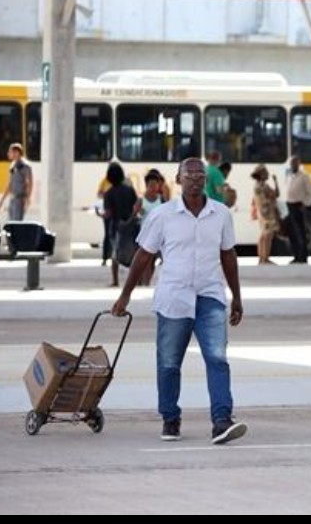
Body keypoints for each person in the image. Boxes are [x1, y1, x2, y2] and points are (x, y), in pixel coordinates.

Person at [110, 157, 247, 446]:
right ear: (178, 179)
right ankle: (170, 417)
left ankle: (222, 420)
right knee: (170, 363)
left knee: (217, 358)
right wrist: (125, 294)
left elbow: (228, 256)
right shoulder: (162, 215)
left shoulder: (220, 214)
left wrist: (236, 296)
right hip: (174, 298)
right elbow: (143, 256)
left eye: (200, 175)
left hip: (210, 295)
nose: (196, 179)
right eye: (190, 175)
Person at [103, 162, 139, 288]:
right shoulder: (130, 190)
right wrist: (132, 217)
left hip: (116, 227)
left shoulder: (108, 193)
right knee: (134, 253)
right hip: (131, 225)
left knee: (115, 255)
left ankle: (116, 280)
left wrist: (100, 214)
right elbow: (136, 206)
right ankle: (136, 280)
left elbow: (108, 213)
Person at [133, 168, 168, 286]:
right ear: (147, 185)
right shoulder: (141, 200)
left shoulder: (162, 199)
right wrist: (138, 212)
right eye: (151, 185)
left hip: (159, 234)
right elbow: (136, 215)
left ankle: (146, 281)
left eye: (155, 185)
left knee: (152, 260)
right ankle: (144, 282)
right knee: (146, 260)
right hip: (145, 234)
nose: (153, 188)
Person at [283, 154, 311, 264]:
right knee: (291, 232)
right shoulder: (289, 175)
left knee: (300, 232)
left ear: (299, 163)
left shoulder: (304, 176)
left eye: (295, 163)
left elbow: (309, 192)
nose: (293, 165)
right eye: (291, 163)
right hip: (289, 205)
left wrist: (305, 204)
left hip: (298, 205)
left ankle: (303, 256)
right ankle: (296, 255)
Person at [250, 163, 281, 265]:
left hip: (265, 213)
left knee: (264, 235)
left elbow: (276, 194)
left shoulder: (262, 185)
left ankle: (262, 258)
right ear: (261, 174)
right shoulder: (260, 186)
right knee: (267, 235)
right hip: (266, 213)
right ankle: (265, 258)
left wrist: (275, 182)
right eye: (265, 172)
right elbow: (267, 200)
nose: (267, 174)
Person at [0, 142, 32, 222]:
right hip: (12, 199)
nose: (8, 154)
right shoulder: (12, 166)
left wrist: (28, 199)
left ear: (16, 153)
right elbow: (10, 184)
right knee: (10, 223)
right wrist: (2, 200)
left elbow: (29, 183)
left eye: (10, 151)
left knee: (17, 223)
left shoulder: (25, 166)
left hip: (20, 199)